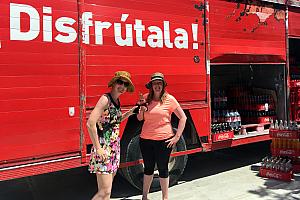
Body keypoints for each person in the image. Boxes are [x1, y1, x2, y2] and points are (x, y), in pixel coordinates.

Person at [87, 71, 137, 200]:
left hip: (114, 148)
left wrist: (130, 113)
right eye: (120, 82)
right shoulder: (105, 99)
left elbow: (114, 121)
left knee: (107, 192)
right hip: (104, 148)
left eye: (125, 84)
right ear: (114, 83)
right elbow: (90, 123)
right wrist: (98, 148)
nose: (122, 86)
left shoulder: (116, 101)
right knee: (104, 192)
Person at [137, 72, 187, 200]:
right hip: (146, 140)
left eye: (159, 83)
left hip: (164, 141)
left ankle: (165, 198)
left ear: (163, 85)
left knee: (163, 169)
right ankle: (144, 197)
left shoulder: (169, 99)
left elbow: (183, 118)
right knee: (148, 168)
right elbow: (139, 118)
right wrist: (141, 110)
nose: (157, 86)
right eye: (155, 83)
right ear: (151, 86)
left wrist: (176, 137)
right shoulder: (146, 98)